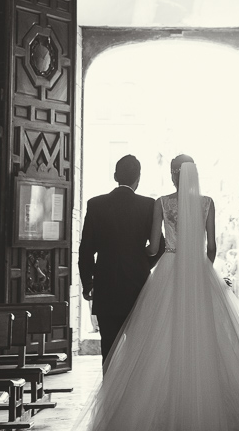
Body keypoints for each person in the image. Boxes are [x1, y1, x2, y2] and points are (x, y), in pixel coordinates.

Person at [71, 154, 239, 431]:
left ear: (174, 173)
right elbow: (205, 247)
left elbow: (138, 247)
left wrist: (96, 280)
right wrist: (199, 270)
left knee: (138, 346)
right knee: (201, 339)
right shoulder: (199, 203)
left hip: (142, 280)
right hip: (172, 276)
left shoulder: (152, 203)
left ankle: (117, 405)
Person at [77, 154, 158, 369]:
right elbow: (158, 246)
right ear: (138, 178)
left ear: (115, 176)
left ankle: (110, 402)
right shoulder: (148, 205)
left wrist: (88, 284)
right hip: (138, 288)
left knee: (109, 353)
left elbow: (86, 250)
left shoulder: (96, 205)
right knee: (138, 353)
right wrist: (143, 265)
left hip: (106, 288)